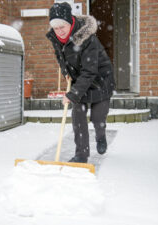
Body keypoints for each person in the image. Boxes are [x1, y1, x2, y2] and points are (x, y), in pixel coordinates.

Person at [46, 2, 115, 163]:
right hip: (80, 81)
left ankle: (101, 135)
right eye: (55, 28)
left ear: (70, 22)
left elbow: (90, 71)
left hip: (101, 81)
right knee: (78, 118)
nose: (59, 31)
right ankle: (81, 155)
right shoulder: (56, 38)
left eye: (62, 26)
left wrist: (72, 94)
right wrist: (65, 72)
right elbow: (61, 57)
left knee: (98, 118)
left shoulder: (87, 39)